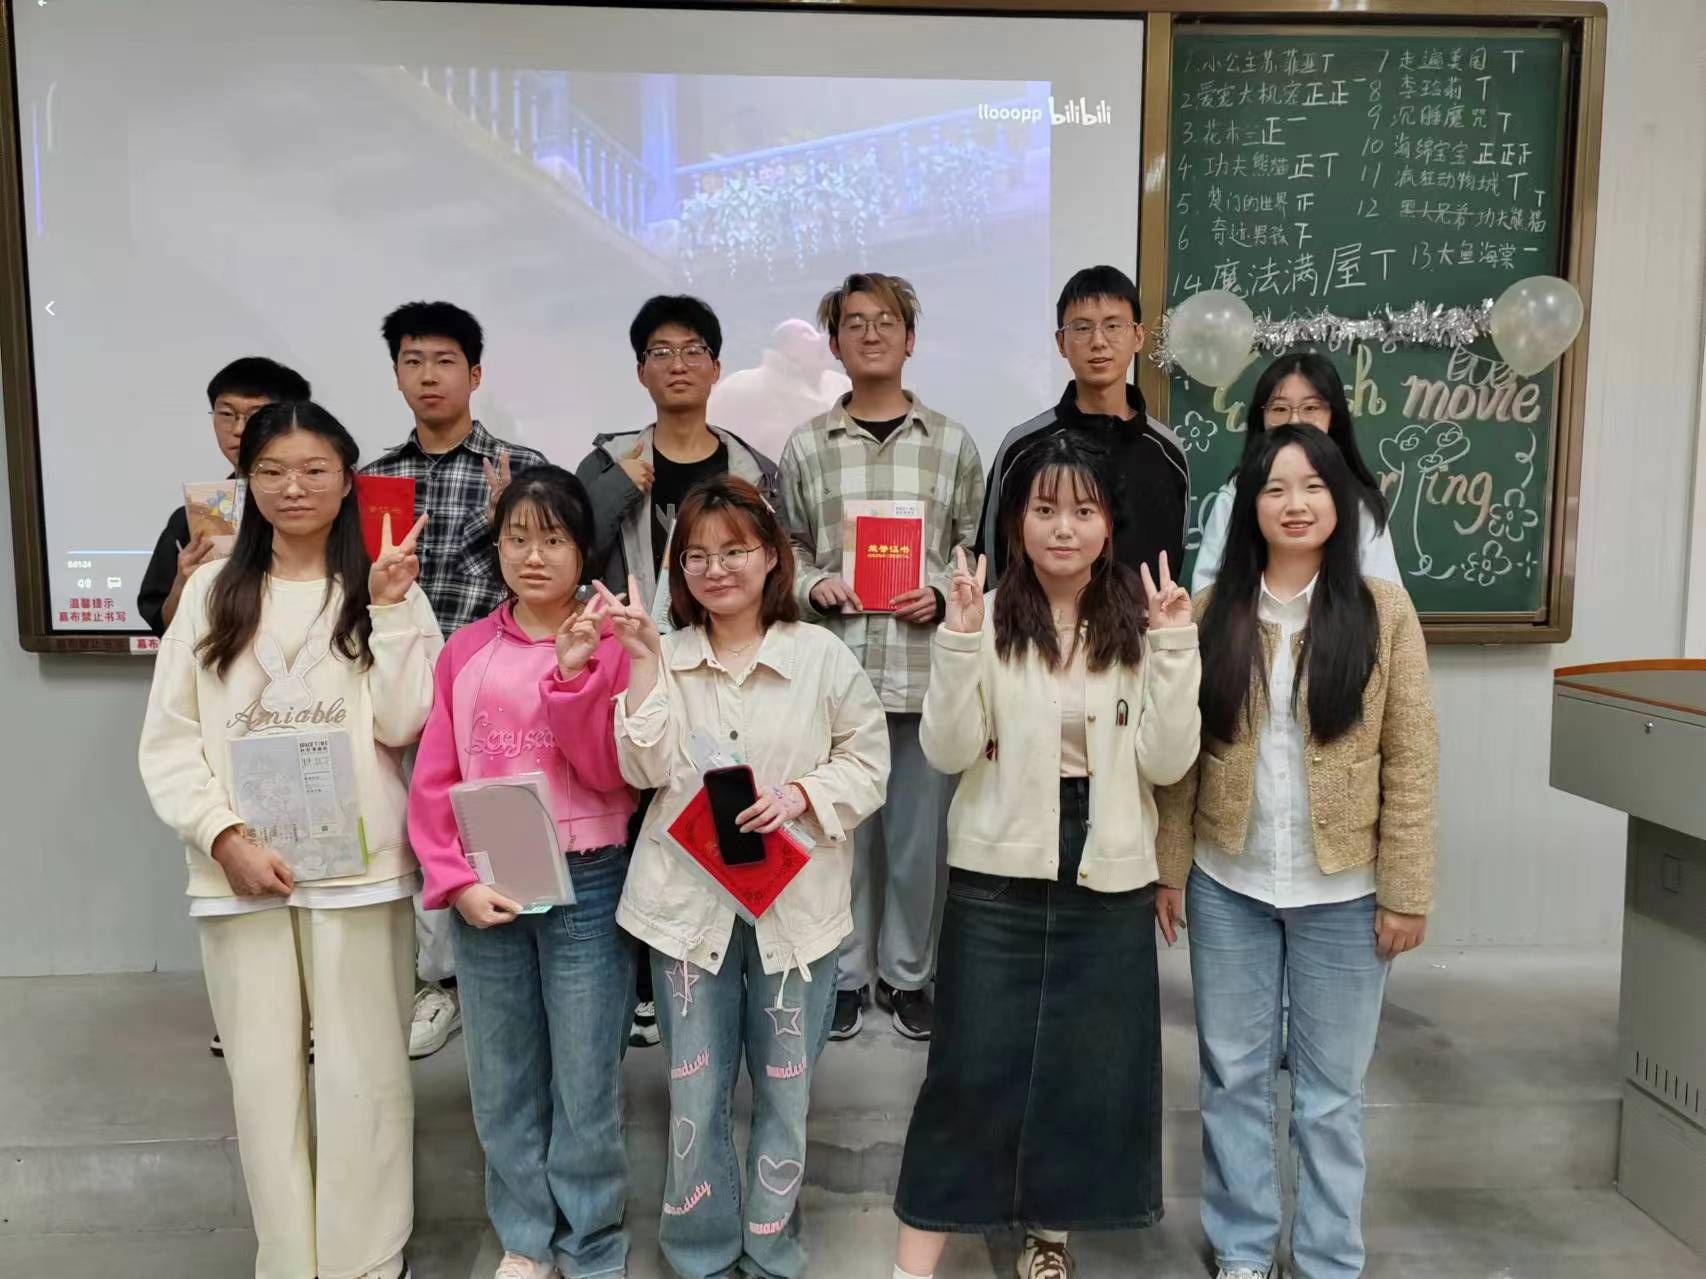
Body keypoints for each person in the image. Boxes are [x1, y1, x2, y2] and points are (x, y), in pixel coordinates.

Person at [138, 400, 441, 1279]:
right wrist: (222, 836)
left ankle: (365, 1257)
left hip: (361, 873)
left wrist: (390, 608)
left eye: (314, 470)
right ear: (247, 480)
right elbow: (168, 739)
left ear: (348, 480)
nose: (292, 487)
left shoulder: (385, 582)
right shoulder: (210, 593)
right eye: (271, 470)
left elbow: (405, 722)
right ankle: (288, 1258)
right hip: (240, 875)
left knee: (366, 1074)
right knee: (264, 1081)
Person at [892, 431, 1202, 1279]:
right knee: (968, 1070)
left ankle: (1047, 1239)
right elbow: (949, 750)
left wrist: (1176, 648)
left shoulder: (1142, 622)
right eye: (1044, 509)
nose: (1063, 527)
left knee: (1081, 1070)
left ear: (1109, 526)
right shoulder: (989, 616)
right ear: (1016, 523)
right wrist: (957, 641)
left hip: (1108, 865)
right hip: (997, 869)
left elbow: (1168, 761)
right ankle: (912, 1264)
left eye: (1083, 510)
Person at [1154, 425, 1439, 1279]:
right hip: (1228, 883)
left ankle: (1326, 1258)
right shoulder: (1214, 611)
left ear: (1341, 502)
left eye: (1314, 486)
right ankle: (1243, 1249)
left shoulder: (1384, 612)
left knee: (1330, 1095)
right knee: (1233, 1078)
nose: (1295, 503)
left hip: (1345, 893)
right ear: (1250, 505)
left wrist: (1407, 888)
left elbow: (1412, 755)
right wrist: (1170, 869)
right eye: (1275, 487)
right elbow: (1183, 757)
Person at [606, 476, 889, 1279]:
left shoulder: (820, 656)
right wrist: (640, 663)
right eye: (695, 555)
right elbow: (640, 767)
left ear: (771, 555)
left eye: (733, 550)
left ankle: (770, 1250)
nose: (715, 568)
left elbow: (870, 762)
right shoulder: (664, 654)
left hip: (795, 913)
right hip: (684, 908)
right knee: (694, 1093)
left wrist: (801, 795)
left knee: (785, 1092)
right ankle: (699, 1253)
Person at [408, 466, 637, 1279]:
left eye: (553, 539)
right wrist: (455, 881)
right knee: (502, 1076)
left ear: (584, 551)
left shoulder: (613, 645)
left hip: (589, 881)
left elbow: (611, 774)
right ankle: (524, 1237)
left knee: (586, 1075)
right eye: (517, 538)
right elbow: (433, 780)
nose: (533, 555)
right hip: (490, 882)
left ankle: (592, 1240)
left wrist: (573, 676)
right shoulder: (465, 650)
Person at [778, 272, 984, 1042]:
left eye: (886, 321)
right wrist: (814, 584)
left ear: (910, 337)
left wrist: (938, 591)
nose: (871, 334)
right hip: (835, 674)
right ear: (834, 342)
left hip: (924, 673)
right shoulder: (807, 445)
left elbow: (975, 552)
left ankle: (906, 975)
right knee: (837, 838)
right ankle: (842, 974)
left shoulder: (952, 443)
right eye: (855, 323)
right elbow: (785, 551)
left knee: (917, 845)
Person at [576, 293, 779, 1049]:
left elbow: (776, 561)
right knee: (636, 816)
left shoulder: (752, 468)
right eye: (660, 352)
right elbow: (570, 544)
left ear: (717, 367)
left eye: (694, 351)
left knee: (720, 801)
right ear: (640, 371)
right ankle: (644, 983)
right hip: (631, 658)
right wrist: (621, 486)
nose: (678, 364)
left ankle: (720, 967)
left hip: (720, 660)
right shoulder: (608, 462)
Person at [363, 300, 549, 1061]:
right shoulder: (374, 479)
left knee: (505, 826)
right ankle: (438, 982)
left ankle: (509, 969)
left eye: (444, 361)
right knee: (421, 829)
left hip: (496, 680)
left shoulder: (519, 469)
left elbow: (548, 572)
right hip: (408, 682)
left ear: (475, 374)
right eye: (413, 361)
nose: (428, 376)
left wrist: (509, 514)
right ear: (396, 375)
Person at [978, 264, 1189, 585]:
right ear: (1061, 342)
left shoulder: (1169, 452)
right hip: (1038, 619)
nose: (1098, 341)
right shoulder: (1024, 447)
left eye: (1113, 325)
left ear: (1138, 336)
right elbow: (994, 565)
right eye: (1082, 327)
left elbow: (1173, 564)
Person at [1191, 351, 1401, 593]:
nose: (1295, 420)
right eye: (1280, 409)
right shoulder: (1238, 492)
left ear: (1333, 416)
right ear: (1262, 417)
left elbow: (1387, 597)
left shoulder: (1358, 500)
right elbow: (1207, 590)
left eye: (1310, 407)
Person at [138, 357, 312, 640]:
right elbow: (165, 626)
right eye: (227, 414)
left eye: (256, 415)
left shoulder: (320, 507)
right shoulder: (198, 516)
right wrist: (184, 585)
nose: (239, 429)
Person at [708, 317, 851, 461]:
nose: (821, 339)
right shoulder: (741, 386)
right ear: (787, 346)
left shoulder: (841, 385)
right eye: (807, 333)